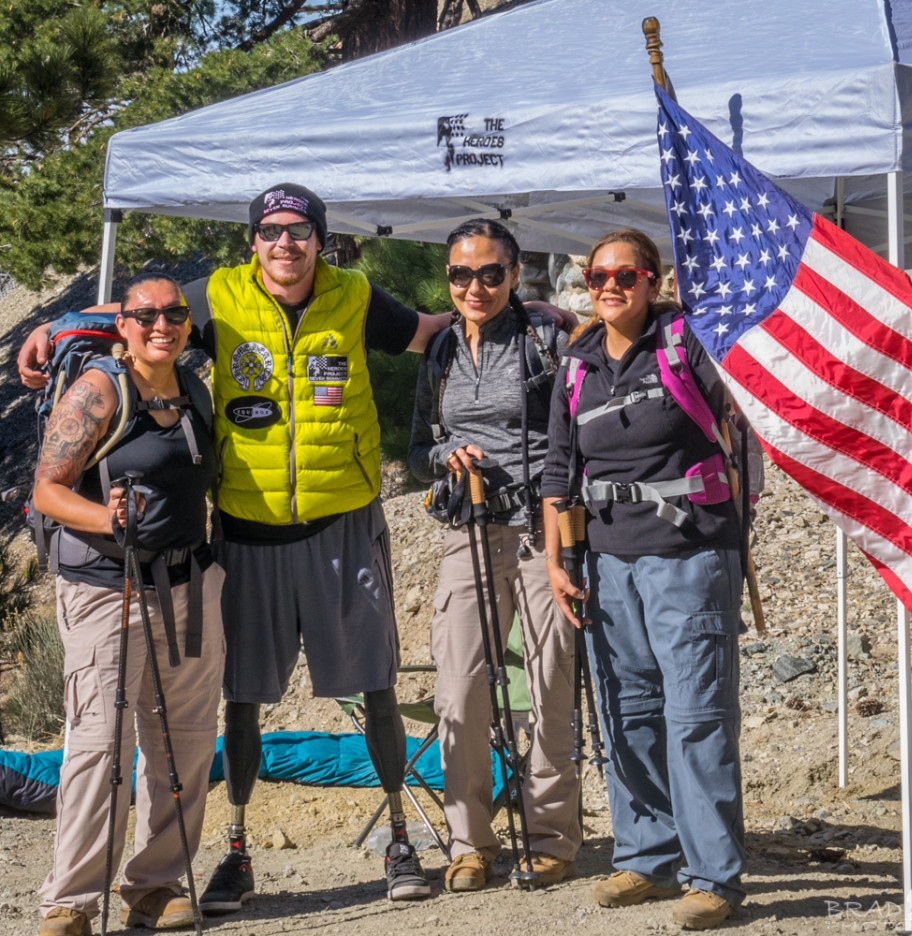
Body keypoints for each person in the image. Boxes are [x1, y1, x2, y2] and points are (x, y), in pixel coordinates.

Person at [19, 184, 451, 910]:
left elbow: (428, 330)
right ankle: (236, 852)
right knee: (241, 698)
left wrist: (515, 307)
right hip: (247, 533)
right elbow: (139, 315)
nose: (286, 243)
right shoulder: (214, 297)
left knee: (373, 681)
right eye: (271, 231)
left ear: (321, 238)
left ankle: (401, 838)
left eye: (300, 230)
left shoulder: (357, 296)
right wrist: (56, 327)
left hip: (343, 522)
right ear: (253, 240)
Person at [541, 229, 746, 931]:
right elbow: (558, 470)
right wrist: (556, 560)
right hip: (606, 561)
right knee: (627, 714)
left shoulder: (688, 343)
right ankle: (646, 858)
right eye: (598, 275)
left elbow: (746, 413)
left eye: (625, 275)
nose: (609, 286)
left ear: (653, 280)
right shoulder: (578, 362)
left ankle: (713, 876)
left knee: (696, 715)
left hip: (688, 557)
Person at [35, 273, 225, 936]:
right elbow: (47, 490)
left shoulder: (195, 387)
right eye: (145, 316)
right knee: (100, 745)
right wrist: (104, 518)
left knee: (187, 742)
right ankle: (71, 902)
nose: (161, 326)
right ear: (124, 325)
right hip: (106, 590)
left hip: (188, 586)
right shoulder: (98, 391)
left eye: (174, 314)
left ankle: (154, 885)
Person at [408, 219, 580, 892]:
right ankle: (469, 844)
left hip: (542, 531)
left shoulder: (547, 339)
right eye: (460, 274)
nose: (473, 287)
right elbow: (418, 448)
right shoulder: (441, 351)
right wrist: (442, 456)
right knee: (460, 691)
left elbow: (576, 429)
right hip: (467, 529)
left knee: (549, 685)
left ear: (513, 274)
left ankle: (551, 840)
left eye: (488, 273)